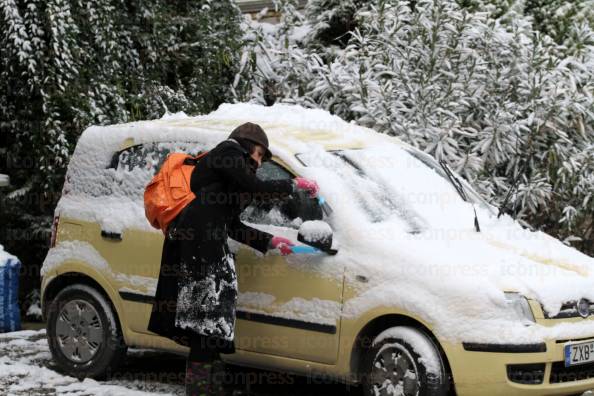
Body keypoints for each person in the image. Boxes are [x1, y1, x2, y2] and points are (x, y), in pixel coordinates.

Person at [147, 122, 319, 396]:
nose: (260, 162)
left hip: (209, 248)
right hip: (196, 249)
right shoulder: (227, 151)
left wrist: (271, 241)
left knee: (211, 329)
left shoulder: (233, 178)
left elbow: (232, 225)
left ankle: (209, 387)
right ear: (247, 144)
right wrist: (293, 184)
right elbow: (258, 186)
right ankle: (200, 390)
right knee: (204, 328)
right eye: (260, 154)